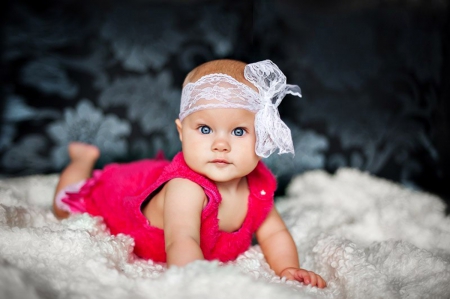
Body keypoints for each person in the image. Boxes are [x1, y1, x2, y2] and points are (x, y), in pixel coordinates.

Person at [53, 59, 327, 288]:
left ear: (264, 137)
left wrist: (289, 269)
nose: (221, 144)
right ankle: (81, 159)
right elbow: (181, 240)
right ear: (182, 132)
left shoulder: (257, 185)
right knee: (66, 204)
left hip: (157, 174)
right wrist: (197, 284)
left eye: (239, 131)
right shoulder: (187, 189)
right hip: (122, 193)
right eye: (205, 129)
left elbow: (275, 233)